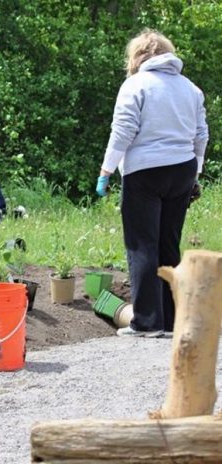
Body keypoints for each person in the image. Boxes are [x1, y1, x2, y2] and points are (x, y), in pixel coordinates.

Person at [96, 29, 208, 338]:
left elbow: (123, 131)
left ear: (137, 57)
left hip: (145, 172)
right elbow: (201, 136)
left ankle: (146, 322)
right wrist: (194, 173)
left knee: (142, 244)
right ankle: (171, 321)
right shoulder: (191, 89)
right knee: (169, 244)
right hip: (182, 170)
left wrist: (106, 171)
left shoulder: (135, 85)